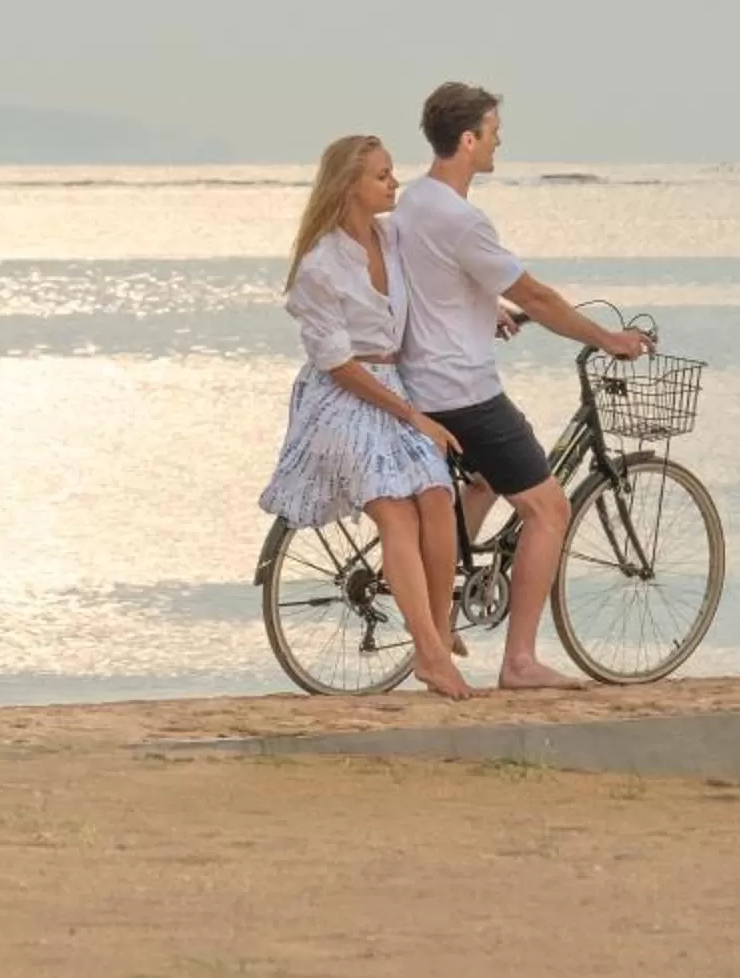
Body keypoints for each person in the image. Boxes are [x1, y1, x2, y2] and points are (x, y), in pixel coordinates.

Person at [393, 82, 650, 692]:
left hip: (421, 381)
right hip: (463, 389)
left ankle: (443, 602)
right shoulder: (462, 219)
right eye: (492, 130)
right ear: (467, 139)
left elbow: (431, 286)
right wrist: (607, 337)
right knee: (549, 508)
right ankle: (521, 662)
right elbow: (536, 295)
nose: (499, 140)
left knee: (484, 480)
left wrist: (487, 310)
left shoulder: (413, 202)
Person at [259, 133, 474, 699]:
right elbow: (336, 364)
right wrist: (414, 416)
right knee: (397, 514)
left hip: (392, 386)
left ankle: (437, 627)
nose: (393, 182)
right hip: (342, 398)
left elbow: (434, 283)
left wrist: (493, 308)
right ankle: (429, 654)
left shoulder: (392, 236)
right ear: (348, 184)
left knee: (436, 497)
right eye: (381, 175)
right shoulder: (319, 265)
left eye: (391, 172)